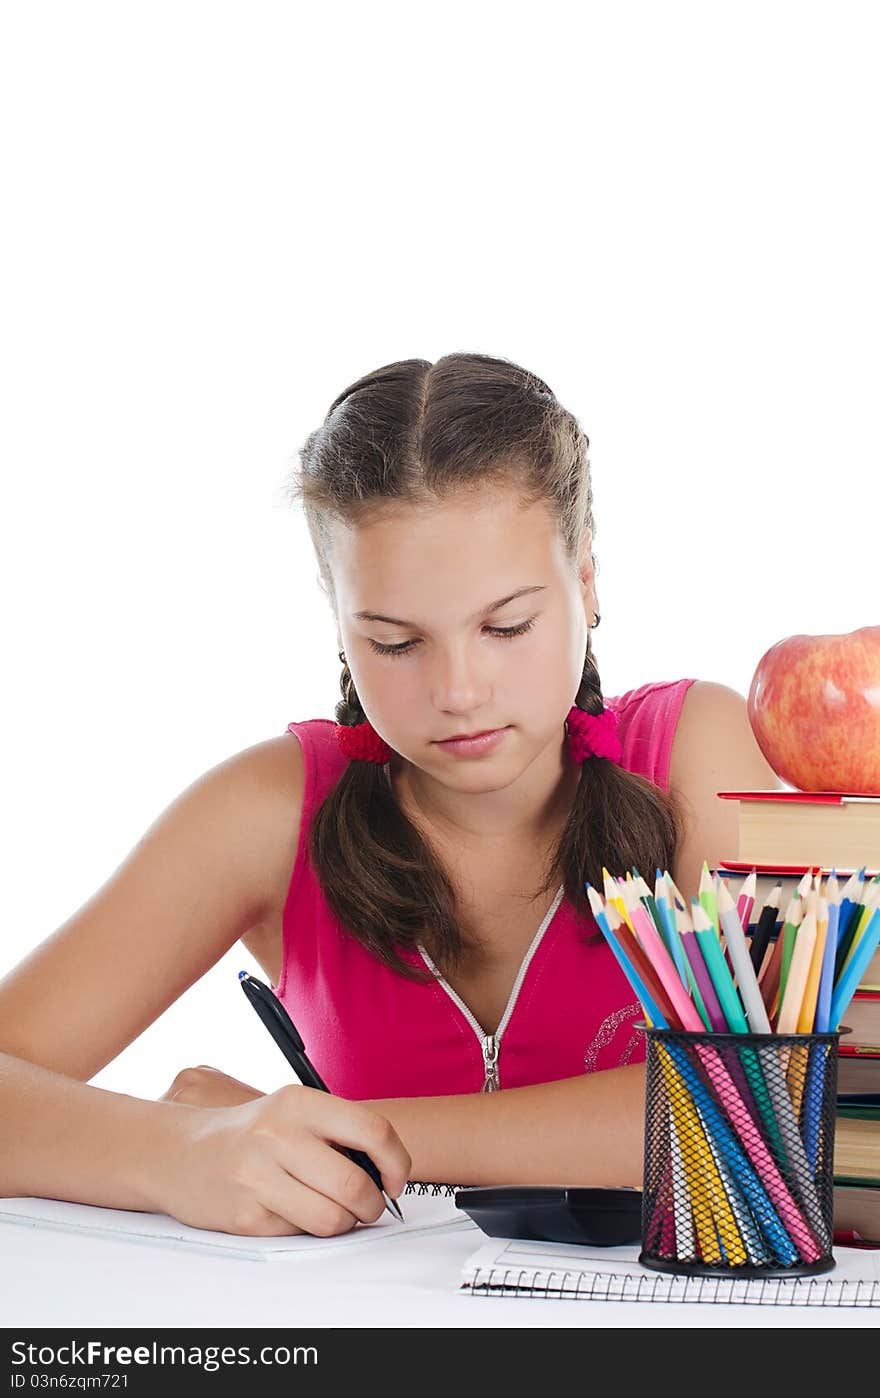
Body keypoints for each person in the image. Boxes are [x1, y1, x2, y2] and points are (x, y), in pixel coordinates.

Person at [0, 351, 781, 1239]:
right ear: (338, 619)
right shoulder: (266, 809)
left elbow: (775, 1114)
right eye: (396, 644)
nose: (458, 691)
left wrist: (345, 1131)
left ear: (588, 586)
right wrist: (181, 1149)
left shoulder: (695, 753)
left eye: (507, 626)